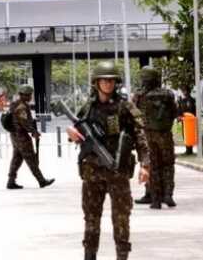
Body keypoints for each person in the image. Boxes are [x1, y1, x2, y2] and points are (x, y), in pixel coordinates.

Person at [67, 61, 150, 260]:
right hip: (92, 173)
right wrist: (71, 135)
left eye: (111, 80)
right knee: (91, 219)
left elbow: (140, 135)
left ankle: (122, 256)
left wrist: (145, 165)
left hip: (117, 172)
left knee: (121, 219)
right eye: (104, 80)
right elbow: (76, 133)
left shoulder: (125, 106)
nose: (108, 84)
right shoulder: (88, 107)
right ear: (96, 82)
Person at [133, 67, 178, 209]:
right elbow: (174, 112)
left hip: (147, 135)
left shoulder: (139, 95)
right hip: (165, 134)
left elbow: (134, 114)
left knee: (152, 165)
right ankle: (168, 195)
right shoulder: (168, 95)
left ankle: (155, 199)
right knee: (168, 165)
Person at [6, 85, 55, 189]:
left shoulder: (15, 104)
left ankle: (11, 181)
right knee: (31, 159)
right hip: (21, 137)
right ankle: (41, 181)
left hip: (14, 136)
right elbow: (24, 122)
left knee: (16, 159)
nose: (30, 96)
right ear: (24, 95)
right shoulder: (21, 107)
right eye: (29, 95)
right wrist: (34, 132)